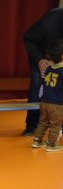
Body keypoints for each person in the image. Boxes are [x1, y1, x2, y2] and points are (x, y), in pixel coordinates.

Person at [22, 8, 63, 136]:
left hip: (59, 55)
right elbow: (28, 38)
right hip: (41, 54)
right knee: (37, 84)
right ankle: (31, 126)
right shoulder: (48, 25)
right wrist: (39, 59)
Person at [31, 39, 63, 152]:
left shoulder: (49, 68)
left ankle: (37, 140)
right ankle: (51, 144)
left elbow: (43, 85)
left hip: (44, 102)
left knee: (43, 122)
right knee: (56, 125)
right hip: (57, 104)